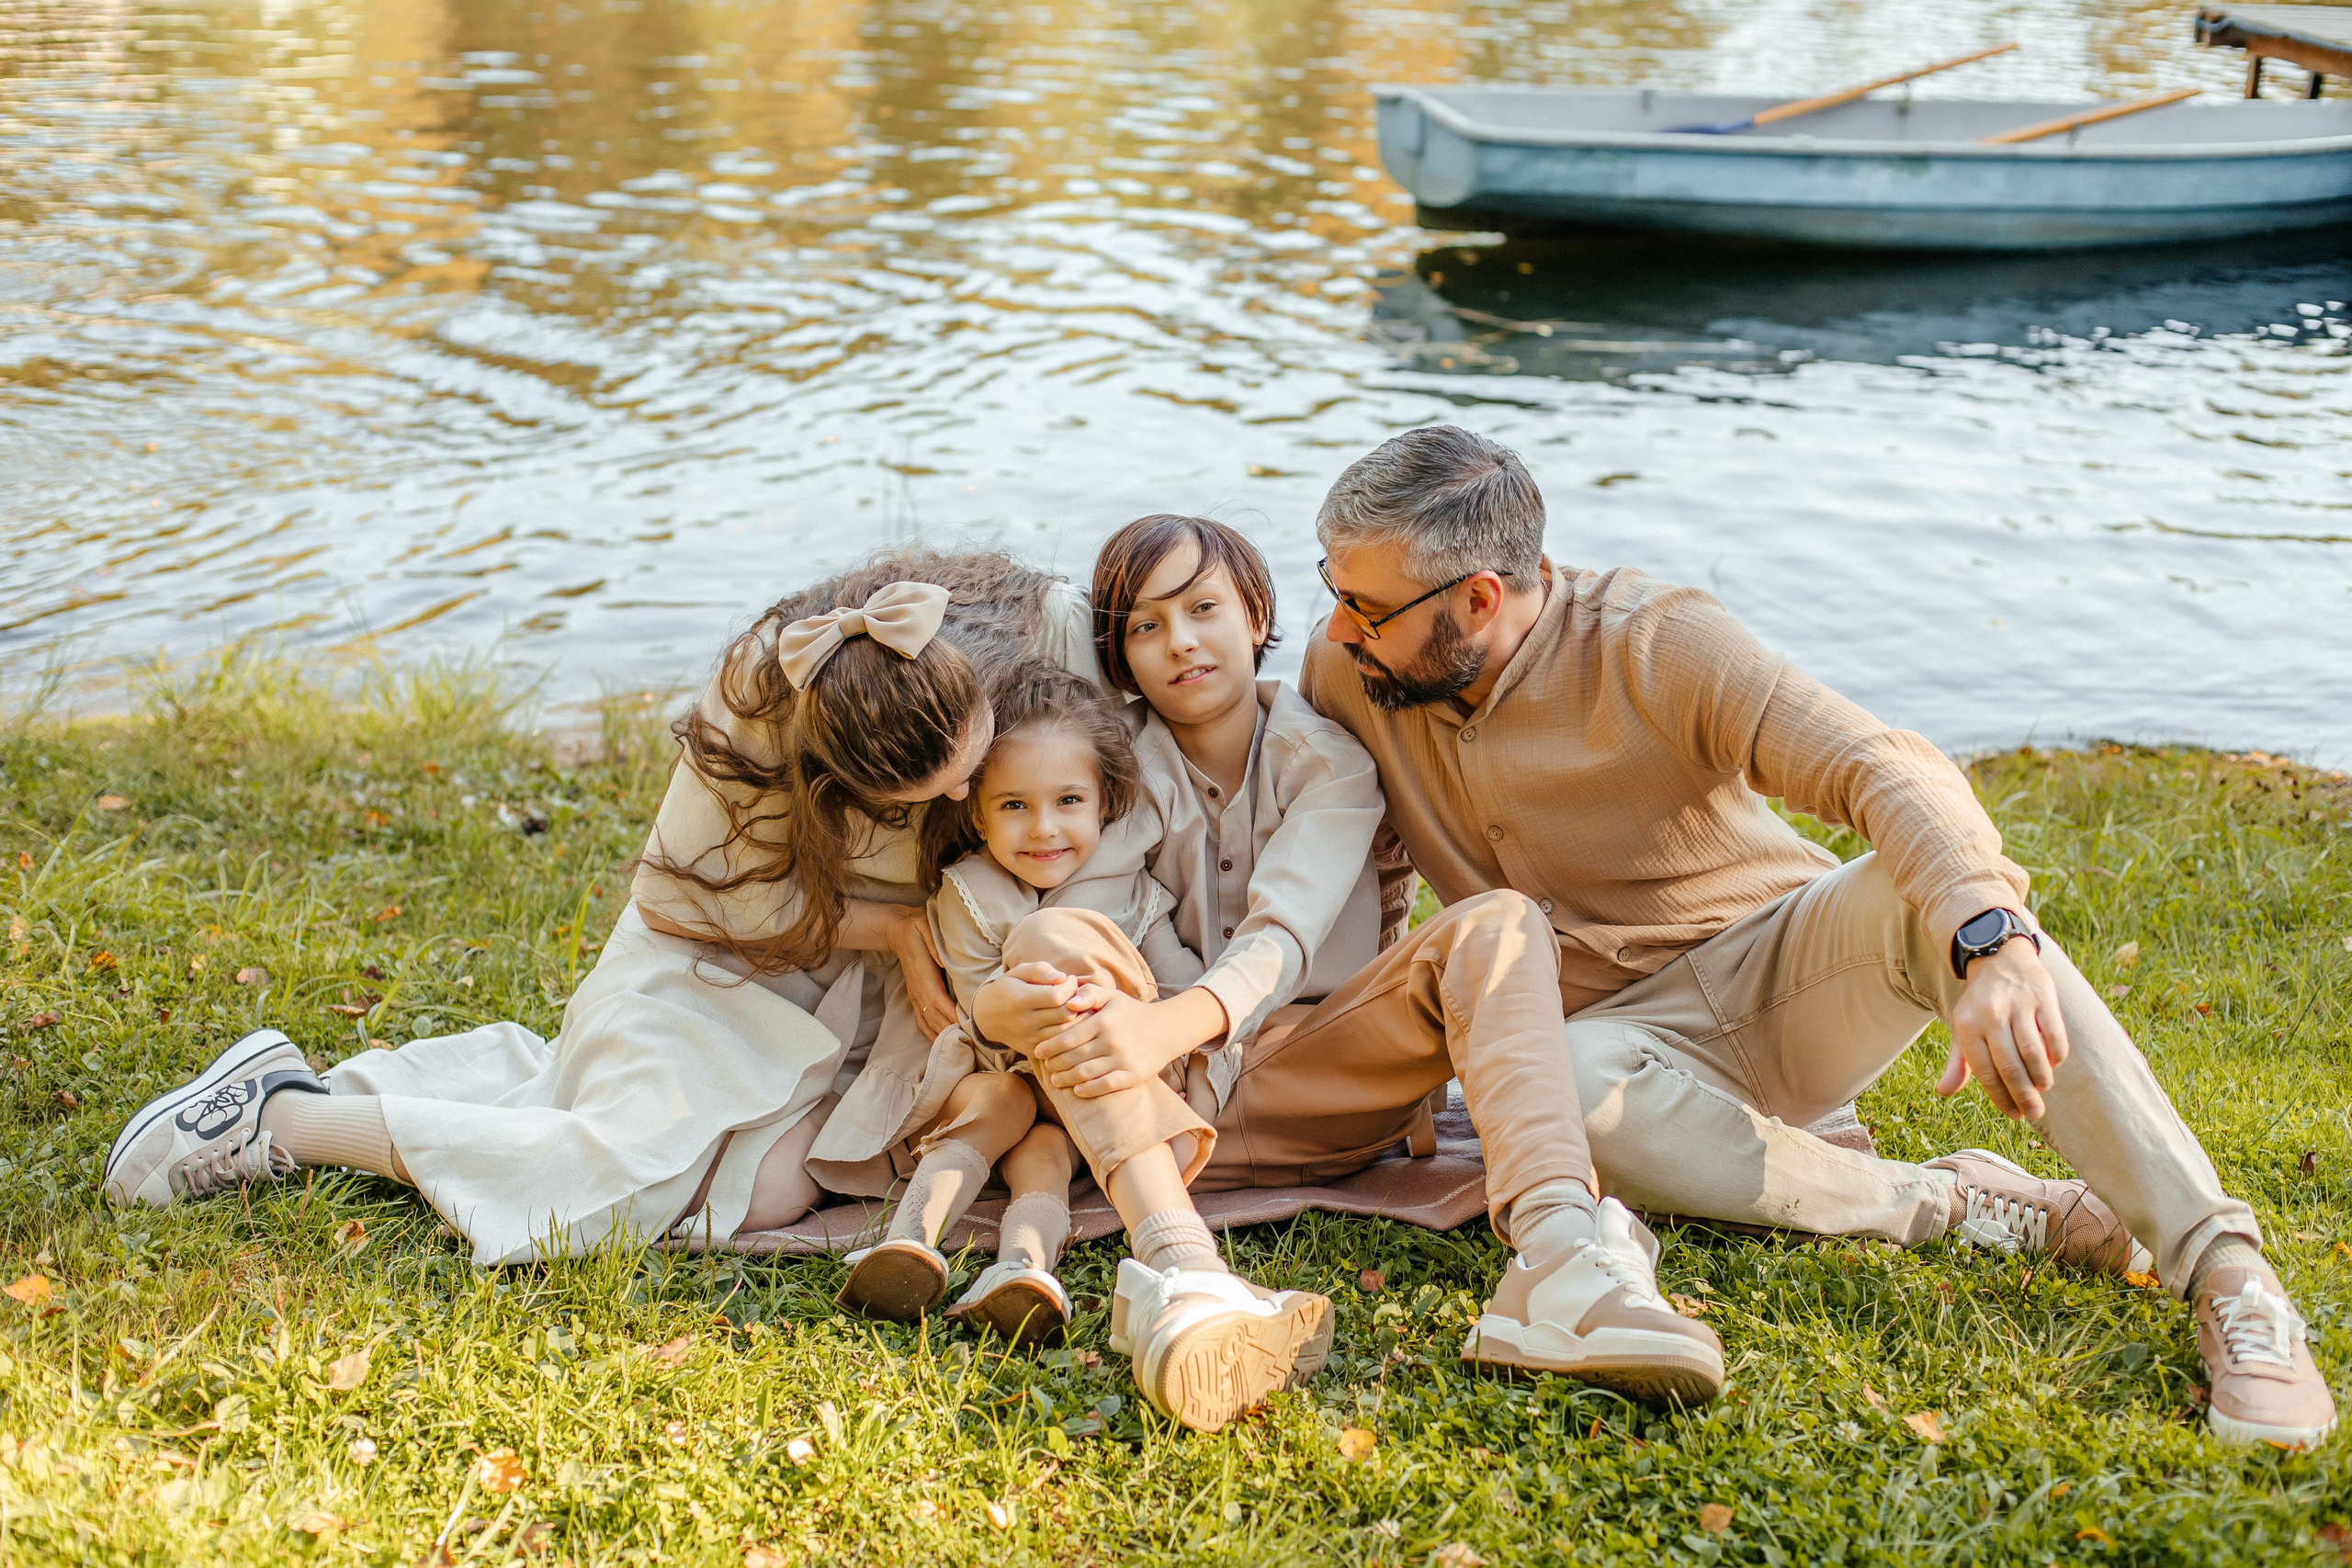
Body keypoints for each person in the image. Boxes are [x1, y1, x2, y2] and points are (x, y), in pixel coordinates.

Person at [1299, 423, 2337, 1451]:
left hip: (1782, 974)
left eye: (1366, 606)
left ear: (1480, 599)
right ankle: (1961, 1206)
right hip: (1607, 1050)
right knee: (1558, 1082)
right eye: (1332, 588)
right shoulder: (1352, 673)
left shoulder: (1656, 639)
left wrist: (1993, 938)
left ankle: (2228, 1273)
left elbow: (1877, 766)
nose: (1339, 627)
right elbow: (1365, 878)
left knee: (1931, 901)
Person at [103, 553, 1098, 1263]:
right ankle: (281, 1117)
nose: (957, 802)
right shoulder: (762, 696)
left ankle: (396, 1095)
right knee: (622, 1180)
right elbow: (682, 901)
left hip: (855, 998)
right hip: (718, 961)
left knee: (769, 1190)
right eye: (923, 795)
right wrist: (889, 929)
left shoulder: (1010, 662)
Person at [979, 514, 1729, 1411]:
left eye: (1203, 607)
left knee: (1497, 924)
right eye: (1144, 626)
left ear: (1255, 615)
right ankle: (1185, 1278)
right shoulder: (1110, 768)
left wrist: (1169, 1026)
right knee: (1051, 940)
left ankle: (1560, 1259)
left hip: (1324, 1086)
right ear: (1120, 653)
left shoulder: (1330, 761)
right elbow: (1096, 922)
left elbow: (1284, 934)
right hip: (1158, 1111)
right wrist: (1062, 1012)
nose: (1180, 642)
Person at [818, 660, 1205, 1347]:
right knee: (1016, 1113)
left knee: (1043, 1111)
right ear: (976, 810)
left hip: (1106, 1079)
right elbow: (970, 1013)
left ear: (1104, 800)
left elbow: (1177, 995)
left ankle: (1021, 1261)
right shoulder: (966, 893)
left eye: (1068, 801)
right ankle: (920, 1246)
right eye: (1014, 805)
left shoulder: (1135, 893)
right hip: (1008, 1084)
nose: (1043, 829)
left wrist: (1129, 1015)